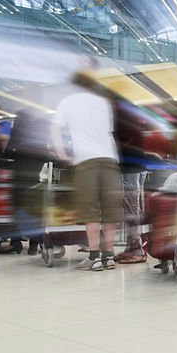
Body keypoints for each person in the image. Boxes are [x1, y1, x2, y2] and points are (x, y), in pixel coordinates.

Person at [51, 73, 123, 271]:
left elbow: (55, 128)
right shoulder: (104, 103)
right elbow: (108, 132)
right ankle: (108, 256)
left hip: (86, 160)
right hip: (110, 159)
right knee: (110, 210)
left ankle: (94, 256)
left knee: (90, 209)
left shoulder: (67, 101)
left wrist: (62, 153)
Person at [5, 95, 51, 256]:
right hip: (37, 166)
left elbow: (12, 142)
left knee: (17, 205)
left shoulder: (22, 115)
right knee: (35, 206)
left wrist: (6, 153)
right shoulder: (45, 118)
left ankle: (16, 242)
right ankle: (34, 245)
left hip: (21, 164)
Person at [113, 100, 152, 264]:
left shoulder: (120, 115)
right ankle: (132, 247)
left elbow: (119, 141)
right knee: (133, 209)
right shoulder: (132, 112)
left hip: (130, 168)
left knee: (131, 210)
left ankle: (136, 249)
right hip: (138, 166)